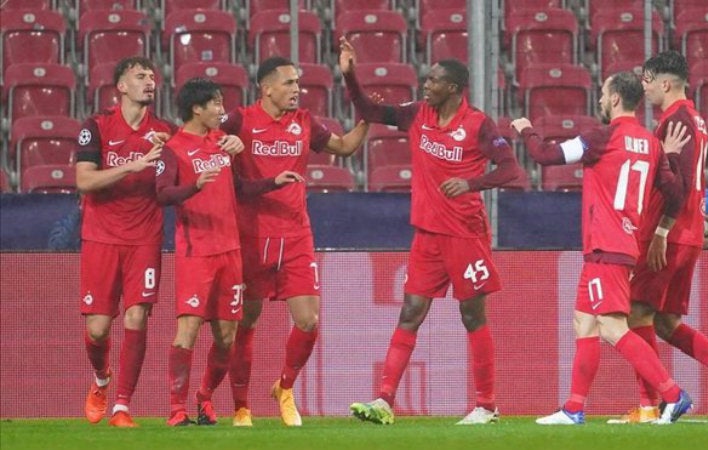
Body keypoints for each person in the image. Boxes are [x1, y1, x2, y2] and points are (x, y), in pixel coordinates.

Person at [340, 37, 524, 425]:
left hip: (465, 234)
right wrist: (349, 75)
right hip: (427, 235)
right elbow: (370, 110)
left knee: (472, 316)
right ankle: (385, 400)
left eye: (435, 81)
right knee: (410, 311)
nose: (426, 85)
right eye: (427, 79)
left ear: (454, 88)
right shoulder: (417, 114)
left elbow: (511, 169)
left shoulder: (477, 124)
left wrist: (471, 183)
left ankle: (486, 406)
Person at [511, 71, 693, 425]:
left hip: (605, 246)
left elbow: (546, 155)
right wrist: (667, 159)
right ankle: (574, 408)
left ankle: (674, 394)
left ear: (614, 99)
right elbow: (675, 193)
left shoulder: (601, 137)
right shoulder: (651, 143)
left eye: (602, 93)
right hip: (622, 244)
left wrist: (525, 130)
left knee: (611, 328)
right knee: (584, 323)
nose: (598, 100)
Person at [220, 56, 369, 427]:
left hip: (296, 235)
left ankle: (284, 389)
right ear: (266, 87)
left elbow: (345, 146)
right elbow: (205, 143)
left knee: (309, 320)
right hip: (251, 235)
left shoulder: (304, 122)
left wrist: (369, 119)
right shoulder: (240, 120)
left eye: (298, 83)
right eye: (288, 83)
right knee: (246, 322)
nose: (296, 90)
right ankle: (241, 406)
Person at [618, 50, 708, 424]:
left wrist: (661, 231)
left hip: (668, 233)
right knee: (665, 323)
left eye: (648, 82)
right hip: (689, 234)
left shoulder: (676, 121)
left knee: (636, 314)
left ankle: (650, 406)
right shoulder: (694, 119)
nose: (644, 89)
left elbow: (677, 186)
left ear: (665, 83)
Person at [76, 56, 175, 427]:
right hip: (100, 237)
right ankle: (101, 379)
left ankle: (122, 406)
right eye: (140, 76)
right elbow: (85, 181)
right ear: (121, 86)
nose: (149, 81)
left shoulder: (165, 131)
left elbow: (195, 157)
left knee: (137, 317)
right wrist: (131, 167)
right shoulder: (97, 126)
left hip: (145, 239)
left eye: (152, 76)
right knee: (98, 329)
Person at [156, 78, 252, 426]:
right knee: (189, 330)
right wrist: (193, 187)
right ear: (196, 108)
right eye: (214, 103)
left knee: (227, 337)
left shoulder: (223, 144)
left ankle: (204, 397)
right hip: (196, 252)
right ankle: (176, 409)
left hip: (231, 250)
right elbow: (162, 194)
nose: (220, 110)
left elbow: (239, 188)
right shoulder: (175, 147)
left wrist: (273, 182)